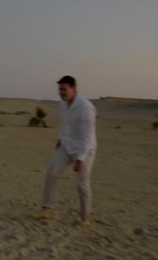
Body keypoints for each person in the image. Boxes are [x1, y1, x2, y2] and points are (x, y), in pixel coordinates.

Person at [32, 76, 97, 226]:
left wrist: (80, 159)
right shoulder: (63, 104)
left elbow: (88, 136)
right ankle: (45, 210)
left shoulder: (85, 107)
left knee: (82, 184)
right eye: (60, 89)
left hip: (85, 149)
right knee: (52, 172)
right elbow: (66, 124)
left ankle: (85, 219)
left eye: (64, 89)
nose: (61, 92)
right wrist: (60, 138)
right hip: (67, 146)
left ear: (74, 89)